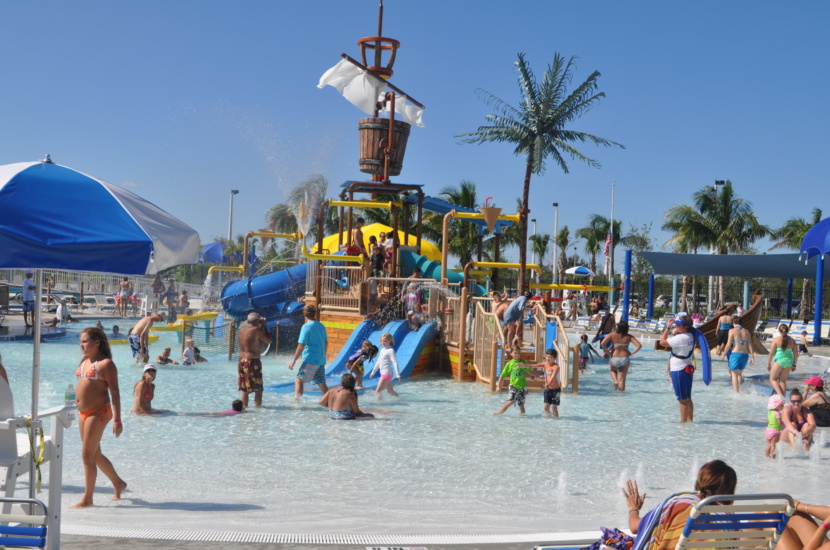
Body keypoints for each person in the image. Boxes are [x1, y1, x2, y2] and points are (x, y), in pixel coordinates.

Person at [623, 460, 737, 548]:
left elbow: (634, 527)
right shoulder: (730, 521)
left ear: (698, 483)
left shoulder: (680, 504)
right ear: (730, 492)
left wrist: (634, 508)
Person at [71, 327, 127, 508]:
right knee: (95, 455)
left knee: (87, 456)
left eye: (85, 341)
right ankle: (118, 483)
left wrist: (117, 420)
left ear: (97, 342)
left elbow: (115, 393)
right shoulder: (85, 361)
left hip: (98, 412)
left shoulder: (105, 364)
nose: (81, 345)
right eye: (80, 341)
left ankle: (88, 499)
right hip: (83, 412)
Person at [658, 316, 697, 423]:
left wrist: (667, 328)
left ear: (685, 326)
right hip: (687, 366)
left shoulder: (680, 338)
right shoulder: (691, 336)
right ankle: (690, 420)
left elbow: (662, 342)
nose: (677, 326)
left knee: (682, 399)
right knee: (688, 397)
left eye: (679, 325)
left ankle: (683, 423)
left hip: (679, 369)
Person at [288, 305, 328, 398]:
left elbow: (301, 345)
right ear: (315, 313)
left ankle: (297, 404)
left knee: (299, 380)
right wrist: (323, 355)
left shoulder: (306, 326)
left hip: (311, 359)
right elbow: (326, 342)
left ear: (304, 314)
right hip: (320, 359)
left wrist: (294, 360)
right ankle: (331, 402)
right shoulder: (321, 325)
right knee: (321, 382)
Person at [237, 312, 272, 407]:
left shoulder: (241, 329)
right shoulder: (256, 330)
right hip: (252, 361)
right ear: (257, 321)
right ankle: (258, 410)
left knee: (245, 389)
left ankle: (244, 408)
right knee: (258, 388)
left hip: (241, 360)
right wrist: (264, 326)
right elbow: (269, 340)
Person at [601, 321, 642, 392]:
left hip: (615, 357)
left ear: (618, 328)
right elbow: (639, 346)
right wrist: (631, 353)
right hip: (625, 358)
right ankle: (621, 397)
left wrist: (608, 353)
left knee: (613, 370)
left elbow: (602, 343)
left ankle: (615, 381)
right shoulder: (629, 337)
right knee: (622, 379)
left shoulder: (612, 335)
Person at [719, 315, 755, 394]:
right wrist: (752, 357)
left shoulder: (732, 331)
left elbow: (728, 344)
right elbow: (750, 345)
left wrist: (724, 353)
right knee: (739, 373)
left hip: (736, 354)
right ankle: (743, 390)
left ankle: (736, 393)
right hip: (745, 355)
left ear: (734, 322)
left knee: (734, 374)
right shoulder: (747, 331)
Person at [494, 346, 533, 415]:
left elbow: (529, 370)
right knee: (510, 401)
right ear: (511, 353)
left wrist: (536, 375)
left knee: (521, 404)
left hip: (523, 386)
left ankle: (522, 417)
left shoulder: (523, 362)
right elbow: (502, 375)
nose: (517, 354)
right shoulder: (509, 364)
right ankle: (499, 413)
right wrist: (498, 386)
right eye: (515, 353)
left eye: (518, 353)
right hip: (513, 385)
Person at [767, 323, 799, 398]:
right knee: (782, 381)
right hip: (789, 362)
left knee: (772, 379)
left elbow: (771, 353)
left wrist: (768, 363)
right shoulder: (792, 341)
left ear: (779, 330)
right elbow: (796, 354)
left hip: (779, 361)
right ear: (787, 330)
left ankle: (780, 395)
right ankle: (783, 398)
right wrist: (794, 364)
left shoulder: (776, 340)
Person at [369, 332, 401, 398]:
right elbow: (378, 362)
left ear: (390, 341)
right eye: (382, 341)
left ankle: (378, 405)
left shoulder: (390, 350)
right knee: (390, 391)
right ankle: (400, 399)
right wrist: (373, 372)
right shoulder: (382, 350)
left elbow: (395, 362)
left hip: (386, 373)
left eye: (385, 341)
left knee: (377, 391)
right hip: (385, 373)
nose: (383, 343)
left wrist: (398, 374)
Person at [537, 348, 561, 418]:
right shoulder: (545, 364)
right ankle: (549, 418)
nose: (547, 358)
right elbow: (536, 365)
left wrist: (549, 384)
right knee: (545, 408)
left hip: (555, 390)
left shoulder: (556, 367)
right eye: (547, 356)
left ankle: (556, 420)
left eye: (550, 357)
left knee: (554, 407)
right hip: (547, 389)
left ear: (555, 358)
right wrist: (525, 366)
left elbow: (553, 376)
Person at [765, 394, 786, 459]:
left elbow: (768, 421)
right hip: (775, 431)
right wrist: (783, 427)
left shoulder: (769, 412)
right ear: (776, 405)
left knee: (769, 445)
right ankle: (772, 457)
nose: (783, 406)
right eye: (781, 405)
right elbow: (779, 422)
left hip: (768, 430)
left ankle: (766, 456)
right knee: (773, 445)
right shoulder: (777, 413)